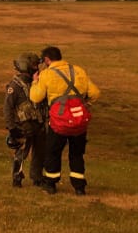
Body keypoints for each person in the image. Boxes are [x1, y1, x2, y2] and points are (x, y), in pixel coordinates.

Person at [30, 46, 100, 195]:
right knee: (77, 153)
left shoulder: (47, 74)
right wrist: (86, 104)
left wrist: (35, 82)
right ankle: (79, 187)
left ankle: (50, 184)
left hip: (59, 122)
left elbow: (36, 97)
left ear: (47, 59)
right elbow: (95, 93)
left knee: (53, 152)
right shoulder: (78, 70)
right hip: (79, 122)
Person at [4, 52, 46, 188]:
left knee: (40, 153)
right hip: (24, 126)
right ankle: (17, 178)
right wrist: (11, 128)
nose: (37, 68)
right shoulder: (15, 86)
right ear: (26, 66)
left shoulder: (38, 82)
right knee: (21, 154)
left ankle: (37, 177)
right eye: (34, 65)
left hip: (39, 124)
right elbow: (8, 108)